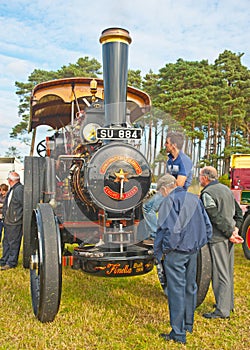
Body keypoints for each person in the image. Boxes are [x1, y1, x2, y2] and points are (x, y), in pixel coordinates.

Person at [154, 174, 212, 345]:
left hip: (176, 252)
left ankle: (178, 333)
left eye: (160, 192)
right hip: (193, 250)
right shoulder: (194, 199)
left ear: (165, 188)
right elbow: (207, 226)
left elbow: (168, 230)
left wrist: (163, 250)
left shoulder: (169, 201)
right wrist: (199, 243)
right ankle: (188, 324)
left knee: (176, 291)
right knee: (190, 287)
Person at [199, 166, 244, 319]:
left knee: (220, 274)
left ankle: (222, 311)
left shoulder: (207, 193)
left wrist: (229, 233)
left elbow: (214, 217)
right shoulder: (226, 189)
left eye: (200, 176)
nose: (199, 179)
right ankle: (228, 304)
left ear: (205, 177)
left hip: (219, 238)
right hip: (229, 236)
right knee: (228, 272)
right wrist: (236, 229)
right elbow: (239, 212)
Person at [142, 131, 193, 242]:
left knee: (147, 207)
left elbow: (179, 184)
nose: (165, 145)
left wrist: (162, 190)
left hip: (176, 192)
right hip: (168, 188)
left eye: (167, 143)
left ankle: (156, 235)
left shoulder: (184, 161)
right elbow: (168, 178)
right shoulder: (170, 159)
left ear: (174, 145)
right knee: (145, 187)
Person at [0, 172, 24, 270]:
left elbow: (23, 206)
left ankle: (11, 262)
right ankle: (4, 260)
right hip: (9, 221)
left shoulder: (19, 190)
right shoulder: (13, 189)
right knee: (6, 242)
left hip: (15, 222)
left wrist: (16, 217)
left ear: (11, 180)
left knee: (13, 243)